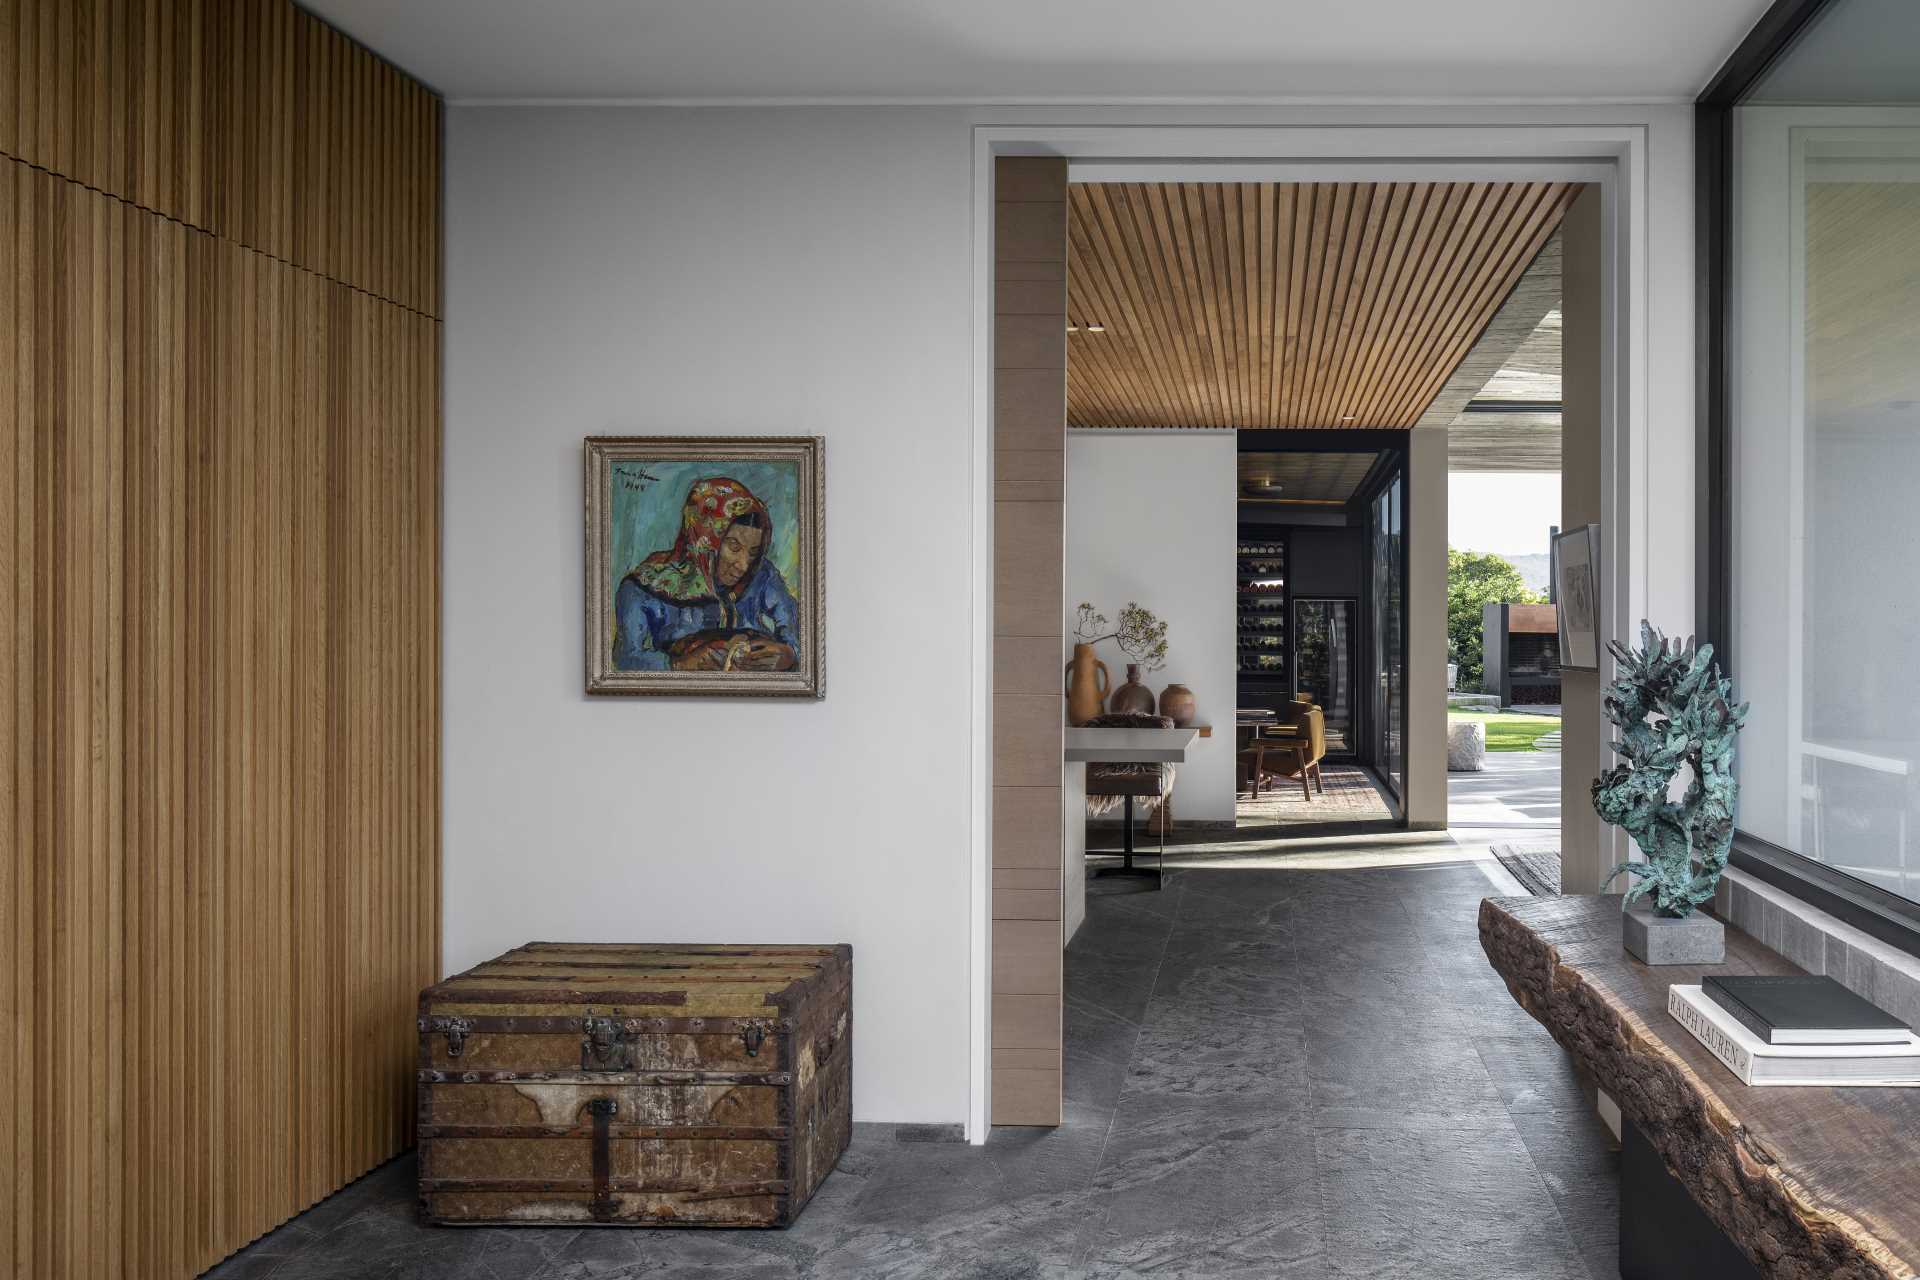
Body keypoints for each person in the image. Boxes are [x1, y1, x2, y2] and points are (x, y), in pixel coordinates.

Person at [612, 476, 801, 672]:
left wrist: (789, 653)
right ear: (705, 540)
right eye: (734, 546)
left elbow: (799, 629)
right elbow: (625, 658)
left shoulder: (762, 574)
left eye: (753, 552)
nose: (744, 565)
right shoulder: (643, 587)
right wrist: (679, 665)